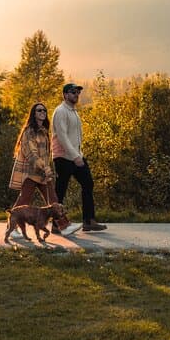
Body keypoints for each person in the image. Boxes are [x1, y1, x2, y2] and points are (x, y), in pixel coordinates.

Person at [8, 102, 80, 236]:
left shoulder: (44, 132)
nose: (42, 112)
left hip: (42, 174)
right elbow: (32, 154)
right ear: (33, 114)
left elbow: (45, 155)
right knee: (23, 201)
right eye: (39, 110)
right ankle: (12, 227)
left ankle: (64, 226)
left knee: (53, 200)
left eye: (44, 111)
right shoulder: (29, 132)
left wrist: (48, 168)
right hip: (30, 173)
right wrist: (44, 167)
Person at [51, 82, 107, 232]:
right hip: (63, 157)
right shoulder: (61, 111)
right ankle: (56, 224)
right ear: (65, 95)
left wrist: (78, 154)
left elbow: (75, 136)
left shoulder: (73, 111)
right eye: (72, 92)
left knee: (88, 184)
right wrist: (75, 156)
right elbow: (62, 137)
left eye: (77, 92)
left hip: (75, 156)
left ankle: (89, 221)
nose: (76, 94)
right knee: (60, 190)